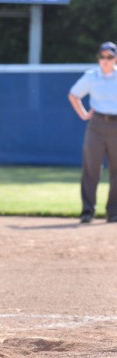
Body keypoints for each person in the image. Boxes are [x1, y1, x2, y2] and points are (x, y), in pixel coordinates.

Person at [68, 41, 117, 224]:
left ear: (115, 59)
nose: (105, 60)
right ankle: (87, 211)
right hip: (96, 126)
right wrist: (82, 113)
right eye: (102, 57)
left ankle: (113, 212)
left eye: (109, 57)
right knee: (91, 169)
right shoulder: (92, 77)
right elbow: (73, 94)